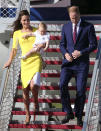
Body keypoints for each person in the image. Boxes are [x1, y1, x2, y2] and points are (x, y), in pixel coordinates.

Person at [3, 10, 44, 124]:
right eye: (24, 20)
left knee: (33, 85)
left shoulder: (36, 31)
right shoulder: (17, 33)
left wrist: (42, 53)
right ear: (21, 22)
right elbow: (14, 50)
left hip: (35, 60)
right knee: (25, 90)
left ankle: (35, 100)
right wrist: (9, 61)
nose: (26, 22)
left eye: (28, 20)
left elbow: (43, 44)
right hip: (25, 62)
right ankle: (27, 114)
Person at [59, 6, 97, 126]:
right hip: (68, 64)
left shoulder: (88, 26)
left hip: (81, 64)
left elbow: (93, 45)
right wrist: (65, 54)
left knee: (80, 91)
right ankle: (68, 112)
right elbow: (62, 44)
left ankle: (79, 115)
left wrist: (81, 52)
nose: (73, 20)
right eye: (71, 18)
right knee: (62, 85)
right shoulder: (65, 26)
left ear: (79, 15)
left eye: (75, 18)